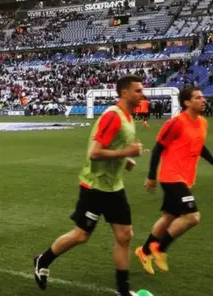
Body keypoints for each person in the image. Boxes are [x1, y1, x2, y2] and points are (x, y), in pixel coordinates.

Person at [33, 75, 145, 296]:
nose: (143, 94)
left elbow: (115, 147)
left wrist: (125, 160)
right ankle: (42, 261)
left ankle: (123, 290)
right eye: (138, 91)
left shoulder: (128, 118)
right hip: (94, 187)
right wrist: (128, 152)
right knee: (81, 235)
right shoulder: (112, 117)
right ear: (124, 93)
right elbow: (93, 153)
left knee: (125, 236)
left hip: (114, 187)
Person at [136, 87, 213, 275]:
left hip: (185, 178)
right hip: (171, 176)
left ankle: (144, 251)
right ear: (187, 102)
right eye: (198, 97)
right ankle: (160, 248)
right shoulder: (176, 123)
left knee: (169, 217)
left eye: (203, 96)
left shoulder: (202, 123)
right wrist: (152, 176)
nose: (203, 100)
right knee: (192, 216)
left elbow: (200, 147)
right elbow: (157, 149)